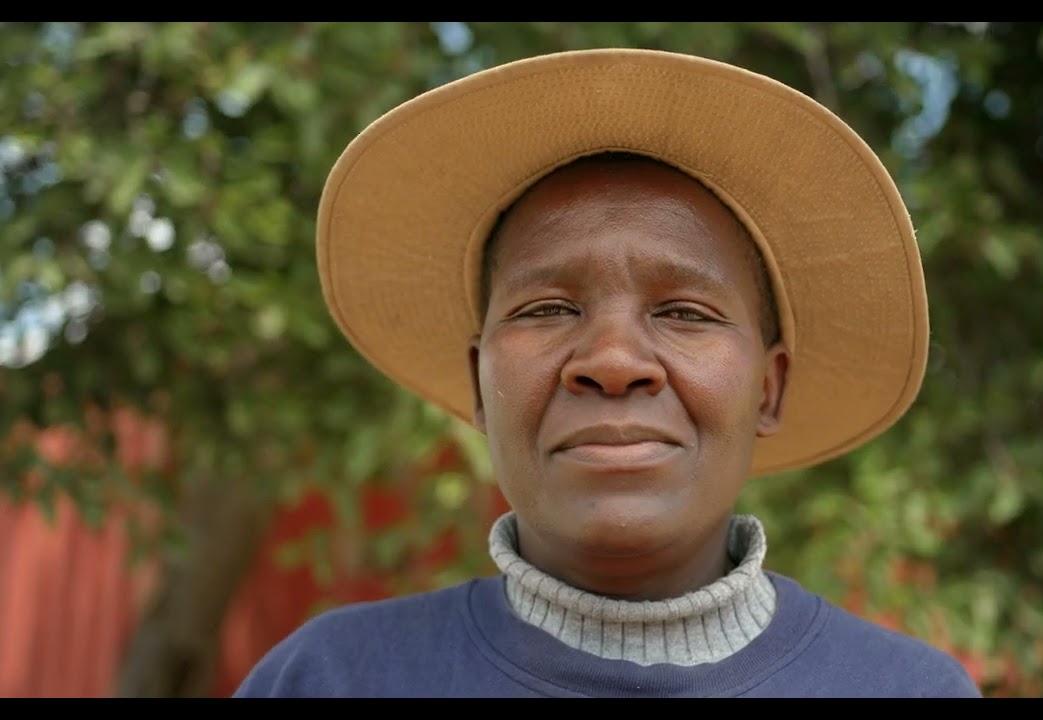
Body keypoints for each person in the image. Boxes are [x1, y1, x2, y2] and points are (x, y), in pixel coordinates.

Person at [233, 47, 983, 698]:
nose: (614, 363)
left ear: (769, 385)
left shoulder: (905, 689)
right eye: (548, 310)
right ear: (477, 384)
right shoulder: (331, 679)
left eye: (685, 313)